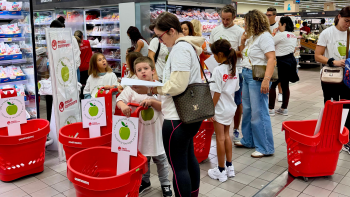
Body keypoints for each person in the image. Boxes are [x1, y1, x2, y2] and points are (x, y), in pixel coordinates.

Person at [132, 12, 205, 197]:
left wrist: (152, 90)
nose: (160, 41)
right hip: (191, 113)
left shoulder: (180, 49)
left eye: (160, 36)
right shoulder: (189, 47)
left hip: (176, 117)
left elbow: (178, 85)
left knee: (179, 168)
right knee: (189, 160)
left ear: (171, 31)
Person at [116, 56, 173, 197]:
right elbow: (119, 99)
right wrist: (123, 106)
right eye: (139, 70)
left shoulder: (159, 87)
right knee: (143, 160)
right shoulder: (132, 88)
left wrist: (152, 102)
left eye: (146, 69)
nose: (143, 72)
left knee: (161, 161)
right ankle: (145, 182)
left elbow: (165, 107)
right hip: (140, 134)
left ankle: (165, 184)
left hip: (157, 133)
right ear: (135, 73)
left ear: (152, 70)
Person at [234, 10, 275, 158]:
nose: (245, 26)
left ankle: (265, 147)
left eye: (247, 23)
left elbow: (271, 59)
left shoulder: (265, 37)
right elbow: (244, 54)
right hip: (247, 74)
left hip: (257, 78)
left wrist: (266, 79)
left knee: (259, 113)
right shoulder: (253, 37)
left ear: (254, 23)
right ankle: (248, 140)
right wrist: (243, 42)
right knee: (248, 111)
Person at [315, 6, 350, 153]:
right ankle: (329, 135)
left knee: (347, 107)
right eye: (346, 20)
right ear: (339, 16)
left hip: (347, 77)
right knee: (331, 106)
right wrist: (333, 61)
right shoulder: (327, 33)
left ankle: (345, 139)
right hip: (331, 76)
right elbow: (317, 56)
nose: (347, 24)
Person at [209, 4, 244, 142]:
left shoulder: (240, 32)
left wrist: (229, 54)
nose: (225, 22)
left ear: (234, 18)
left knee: (236, 100)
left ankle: (235, 128)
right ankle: (218, 126)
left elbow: (243, 53)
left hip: (234, 70)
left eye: (228, 19)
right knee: (217, 97)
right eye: (223, 19)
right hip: (216, 69)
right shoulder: (215, 30)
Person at [208, 39, 239, 182]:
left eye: (214, 54)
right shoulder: (234, 68)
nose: (213, 57)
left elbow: (217, 93)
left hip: (219, 108)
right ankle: (229, 167)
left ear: (220, 54)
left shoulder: (218, 70)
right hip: (230, 107)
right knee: (227, 136)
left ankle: (220, 171)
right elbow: (236, 89)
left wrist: (210, 111)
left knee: (220, 138)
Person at [269, 17, 299, 116]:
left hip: (280, 62)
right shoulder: (293, 35)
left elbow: (269, 43)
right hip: (290, 61)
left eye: (279, 24)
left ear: (284, 24)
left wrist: (273, 33)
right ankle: (284, 108)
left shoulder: (281, 35)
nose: (278, 26)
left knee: (272, 85)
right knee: (285, 85)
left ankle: (271, 109)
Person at [267, 7, 283, 102]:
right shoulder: (264, 26)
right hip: (267, 53)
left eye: (269, 15)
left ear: (274, 15)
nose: (267, 17)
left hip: (277, 53)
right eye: (267, 15)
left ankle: (280, 93)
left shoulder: (278, 26)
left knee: (278, 76)